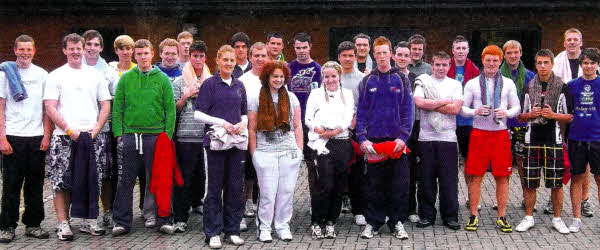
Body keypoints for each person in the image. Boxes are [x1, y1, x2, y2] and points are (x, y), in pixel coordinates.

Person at [44, 33, 111, 240]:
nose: (75, 52)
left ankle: (90, 220)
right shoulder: (55, 75)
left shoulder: (95, 75)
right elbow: (50, 107)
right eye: (71, 48)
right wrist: (69, 130)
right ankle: (63, 224)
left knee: (93, 179)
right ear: (64, 50)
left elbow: (105, 104)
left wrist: (97, 129)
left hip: (92, 137)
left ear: (83, 50)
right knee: (61, 181)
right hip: (64, 137)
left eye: (78, 48)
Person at [111, 39, 176, 236]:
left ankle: (164, 219)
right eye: (139, 54)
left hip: (156, 137)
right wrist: (119, 134)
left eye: (146, 53)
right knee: (125, 180)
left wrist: (167, 135)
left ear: (152, 54)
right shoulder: (126, 79)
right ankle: (121, 221)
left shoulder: (162, 79)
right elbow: (118, 108)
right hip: (131, 136)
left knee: (160, 180)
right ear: (135, 56)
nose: (142, 57)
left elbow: (170, 110)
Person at [356, 36, 413, 240]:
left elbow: (408, 111)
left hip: (397, 142)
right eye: (377, 53)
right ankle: (373, 222)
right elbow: (361, 113)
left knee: (399, 185)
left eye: (384, 52)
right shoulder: (367, 81)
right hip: (374, 142)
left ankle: (397, 222)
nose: (381, 57)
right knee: (374, 186)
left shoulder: (401, 79)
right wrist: (362, 138)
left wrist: (403, 137)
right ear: (374, 55)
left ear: (391, 54)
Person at [461, 45, 520, 233]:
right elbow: (463, 108)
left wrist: (506, 112)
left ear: (500, 61)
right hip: (479, 132)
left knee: (502, 177)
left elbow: (516, 108)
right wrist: (475, 111)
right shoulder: (471, 83)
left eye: (495, 60)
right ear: (483, 60)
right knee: (475, 176)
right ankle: (473, 216)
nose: (492, 64)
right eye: (488, 60)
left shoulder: (508, 83)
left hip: (500, 134)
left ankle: (502, 216)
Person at [195, 45, 247, 248]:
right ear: (217, 60)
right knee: (214, 188)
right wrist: (222, 122)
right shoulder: (209, 84)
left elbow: (243, 112)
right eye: (224, 60)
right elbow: (198, 114)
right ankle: (213, 232)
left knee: (235, 187)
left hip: (235, 143)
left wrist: (243, 123)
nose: (228, 63)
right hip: (215, 143)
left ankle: (232, 230)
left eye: (231, 60)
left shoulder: (239, 85)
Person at [0, 35, 51, 243]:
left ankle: (33, 224)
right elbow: (1, 108)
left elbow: (47, 109)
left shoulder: (42, 74)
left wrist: (46, 135)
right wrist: (2, 138)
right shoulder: (4, 74)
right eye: (21, 49)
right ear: (15, 51)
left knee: (35, 184)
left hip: (36, 136)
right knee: (11, 184)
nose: (25, 53)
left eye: (28, 49)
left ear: (34, 51)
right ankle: (7, 227)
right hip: (13, 136)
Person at [514, 49, 571, 234]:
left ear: (552, 64)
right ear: (535, 65)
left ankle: (557, 218)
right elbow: (521, 116)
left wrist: (553, 115)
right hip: (532, 140)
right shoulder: (529, 86)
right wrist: (531, 114)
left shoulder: (562, 86)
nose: (543, 66)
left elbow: (570, 116)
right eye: (539, 63)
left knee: (556, 183)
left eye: (546, 62)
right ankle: (529, 217)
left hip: (553, 141)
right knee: (530, 183)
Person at [247, 60, 302, 243]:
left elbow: (297, 126)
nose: (278, 80)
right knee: (268, 192)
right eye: (274, 76)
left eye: (281, 76)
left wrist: (299, 149)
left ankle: (282, 225)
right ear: (267, 77)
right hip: (265, 151)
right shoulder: (256, 98)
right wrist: (254, 154)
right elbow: (252, 128)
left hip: (289, 150)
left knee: (286, 191)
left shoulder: (292, 98)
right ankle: (264, 227)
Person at [413, 51, 463, 230]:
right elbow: (419, 103)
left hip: (448, 138)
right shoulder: (422, 81)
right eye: (437, 65)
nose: (441, 68)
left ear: (449, 67)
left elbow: (455, 109)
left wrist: (431, 103)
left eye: (444, 65)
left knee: (448, 180)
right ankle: (426, 216)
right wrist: (444, 102)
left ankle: (450, 217)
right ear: (432, 65)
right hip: (426, 138)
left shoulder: (455, 84)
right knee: (426, 180)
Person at [305, 61, 354, 239]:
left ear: (339, 76)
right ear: (323, 77)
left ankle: (331, 221)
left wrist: (334, 131)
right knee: (324, 184)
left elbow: (348, 118)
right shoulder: (316, 94)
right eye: (327, 76)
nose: (330, 79)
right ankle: (317, 221)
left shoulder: (347, 94)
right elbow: (308, 118)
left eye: (333, 76)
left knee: (339, 184)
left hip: (341, 142)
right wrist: (320, 131)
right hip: (321, 144)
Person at [171, 40, 212, 233]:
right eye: (194, 56)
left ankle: (198, 204)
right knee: (183, 178)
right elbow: (173, 110)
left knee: (201, 176)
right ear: (190, 57)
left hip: (204, 136)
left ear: (205, 58)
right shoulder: (179, 81)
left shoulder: (211, 81)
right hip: (185, 137)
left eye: (201, 56)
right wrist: (185, 96)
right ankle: (180, 217)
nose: (198, 59)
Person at [81, 30, 120, 229]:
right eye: (88, 44)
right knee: (79, 174)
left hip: (103, 130)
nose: (92, 48)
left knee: (105, 174)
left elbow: (119, 98)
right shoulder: (73, 68)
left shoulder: (108, 72)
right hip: (77, 131)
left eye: (96, 45)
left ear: (101, 48)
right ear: (82, 45)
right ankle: (78, 215)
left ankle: (107, 212)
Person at [552, 28, 593, 218]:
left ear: (581, 42)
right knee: (560, 158)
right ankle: (554, 198)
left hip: (587, 121)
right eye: (568, 39)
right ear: (564, 42)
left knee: (584, 164)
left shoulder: (590, 63)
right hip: (563, 118)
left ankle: (585, 199)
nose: (572, 42)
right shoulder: (557, 62)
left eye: (575, 39)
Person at [287, 32, 322, 217]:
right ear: (294, 48)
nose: (301, 51)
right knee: (288, 164)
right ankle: (285, 205)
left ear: (310, 47)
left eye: (304, 47)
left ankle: (313, 201)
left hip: (310, 124)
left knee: (311, 165)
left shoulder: (318, 69)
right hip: (291, 124)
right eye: (297, 48)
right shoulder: (288, 68)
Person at [566, 48, 600, 233]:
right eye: (585, 63)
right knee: (576, 178)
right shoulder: (571, 85)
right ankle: (576, 218)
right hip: (576, 138)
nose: (589, 66)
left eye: (592, 63)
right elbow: (567, 113)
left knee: (599, 178)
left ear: (597, 65)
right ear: (581, 65)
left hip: (597, 138)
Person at [500, 40, 536, 212]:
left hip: (522, 126)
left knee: (522, 164)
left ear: (521, 53)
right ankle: (501, 199)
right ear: (504, 55)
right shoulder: (497, 75)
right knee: (502, 163)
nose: (513, 56)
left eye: (516, 52)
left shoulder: (530, 76)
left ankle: (525, 197)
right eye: (509, 53)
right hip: (503, 126)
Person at [238, 42, 270, 231]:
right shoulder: (243, 80)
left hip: (268, 135)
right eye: (256, 55)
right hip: (247, 133)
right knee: (245, 174)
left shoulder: (273, 78)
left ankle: (264, 215)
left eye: (263, 56)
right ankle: (243, 208)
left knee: (265, 175)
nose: (259, 59)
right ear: (250, 57)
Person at [447, 36, 480, 210]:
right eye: (457, 48)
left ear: (468, 50)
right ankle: (451, 197)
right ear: (452, 50)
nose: (460, 51)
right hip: (449, 120)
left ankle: (471, 196)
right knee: (451, 161)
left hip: (467, 122)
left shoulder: (474, 70)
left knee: (469, 161)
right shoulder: (445, 67)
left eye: (463, 48)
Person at [337, 41, 367, 225]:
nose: (347, 59)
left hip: (355, 129)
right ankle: (336, 208)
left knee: (356, 172)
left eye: (350, 55)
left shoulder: (362, 79)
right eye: (344, 56)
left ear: (355, 57)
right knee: (338, 170)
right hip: (335, 130)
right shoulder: (334, 76)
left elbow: (364, 105)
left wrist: (354, 123)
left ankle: (359, 210)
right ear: (339, 57)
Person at [394, 41, 420, 223]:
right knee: (390, 172)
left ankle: (410, 208)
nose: (402, 58)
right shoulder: (386, 76)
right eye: (399, 55)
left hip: (411, 132)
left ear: (410, 58)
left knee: (409, 172)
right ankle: (391, 208)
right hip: (390, 130)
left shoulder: (416, 79)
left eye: (406, 55)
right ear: (394, 56)